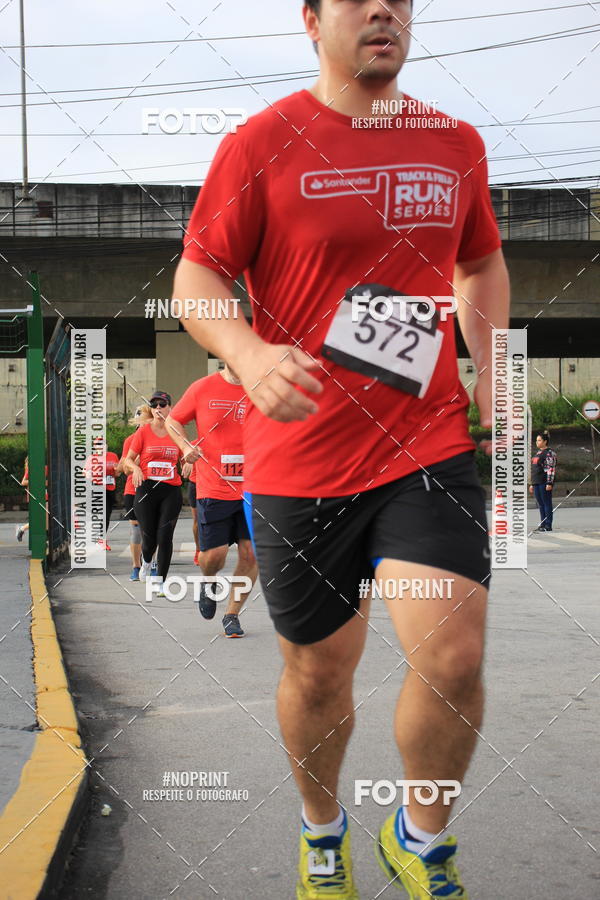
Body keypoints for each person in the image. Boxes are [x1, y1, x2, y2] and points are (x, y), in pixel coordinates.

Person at [173, 1, 511, 896]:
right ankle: (322, 831)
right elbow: (197, 275)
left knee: (455, 655)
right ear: (311, 20)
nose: (383, 10)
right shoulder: (262, 144)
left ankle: (420, 837)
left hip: (425, 443)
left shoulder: (455, 144)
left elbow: (480, 261)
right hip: (301, 458)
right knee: (320, 675)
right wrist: (247, 354)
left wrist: (494, 366)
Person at [167, 365, 258, 638]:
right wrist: (185, 447)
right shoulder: (202, 388)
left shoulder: (264, 387)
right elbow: (173, 420)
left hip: (255, 487)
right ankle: (208, 582)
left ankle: (232, 614)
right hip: (214, 487)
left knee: (251, 553)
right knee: (215, 555)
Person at [125, 391, 183, 593]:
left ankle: (160, 581)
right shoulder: (143, 432)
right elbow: (128, 460)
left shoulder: (176, 431)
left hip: (170, 489)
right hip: (147, 489)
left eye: (162, 404)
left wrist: (189, 462)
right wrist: (136, 468)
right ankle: (147, 560)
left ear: (170, 408)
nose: (158, 408)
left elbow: (187, 454)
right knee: (149, 538)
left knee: (165, 535)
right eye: (154, 405)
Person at [116, 404, 153, 580]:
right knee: (137, 530)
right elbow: (124, 468)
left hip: (153, 488)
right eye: (141, 421)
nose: (143, 424)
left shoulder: (158, 437)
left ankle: (152, 563)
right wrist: (136, 461)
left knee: (152, 529)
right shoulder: (131, 440)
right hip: (133, 489)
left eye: (146, 420)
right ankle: (136, 567)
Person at [84, 439, 119, 551]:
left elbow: (117, 473)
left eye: (103, 444)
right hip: (96, 488)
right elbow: (85, 471)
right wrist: (88, 474)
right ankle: (100, 539)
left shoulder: (113, 456)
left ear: (106, 445)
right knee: (100, 514)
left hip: (110, 489)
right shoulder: (91, 458)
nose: (101, 446)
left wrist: (117, 470)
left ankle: (100, 538)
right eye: (98, 445)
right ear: (94, 447)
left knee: (106, 515)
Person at [529, 430, 557, 532]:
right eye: (536, 440)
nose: (537, 442)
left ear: (545, 441)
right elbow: (535, 469)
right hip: (536, 482)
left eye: (539, 440)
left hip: (544, 482)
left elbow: (550, 469)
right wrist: (532, 483)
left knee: (546, 503)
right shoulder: (538, 453)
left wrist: (549, 482)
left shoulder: (549, 453)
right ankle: (543, 523)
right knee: (540, 504)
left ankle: (548, 525)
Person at [181, 439, 201, 566]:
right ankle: (198, 549)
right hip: (195, 484)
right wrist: (188, 463)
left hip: (212, 485)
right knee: (197, 520)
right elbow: (182, 463)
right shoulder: (192, 445)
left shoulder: (217, 441)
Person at [15, 457, 30, 542]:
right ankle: (21, 529)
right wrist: (36, 481)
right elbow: (23, 482)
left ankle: (21, 529)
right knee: (39, 519)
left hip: (41, 496)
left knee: (43, 519)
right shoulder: (30, 470)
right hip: (33, 497)